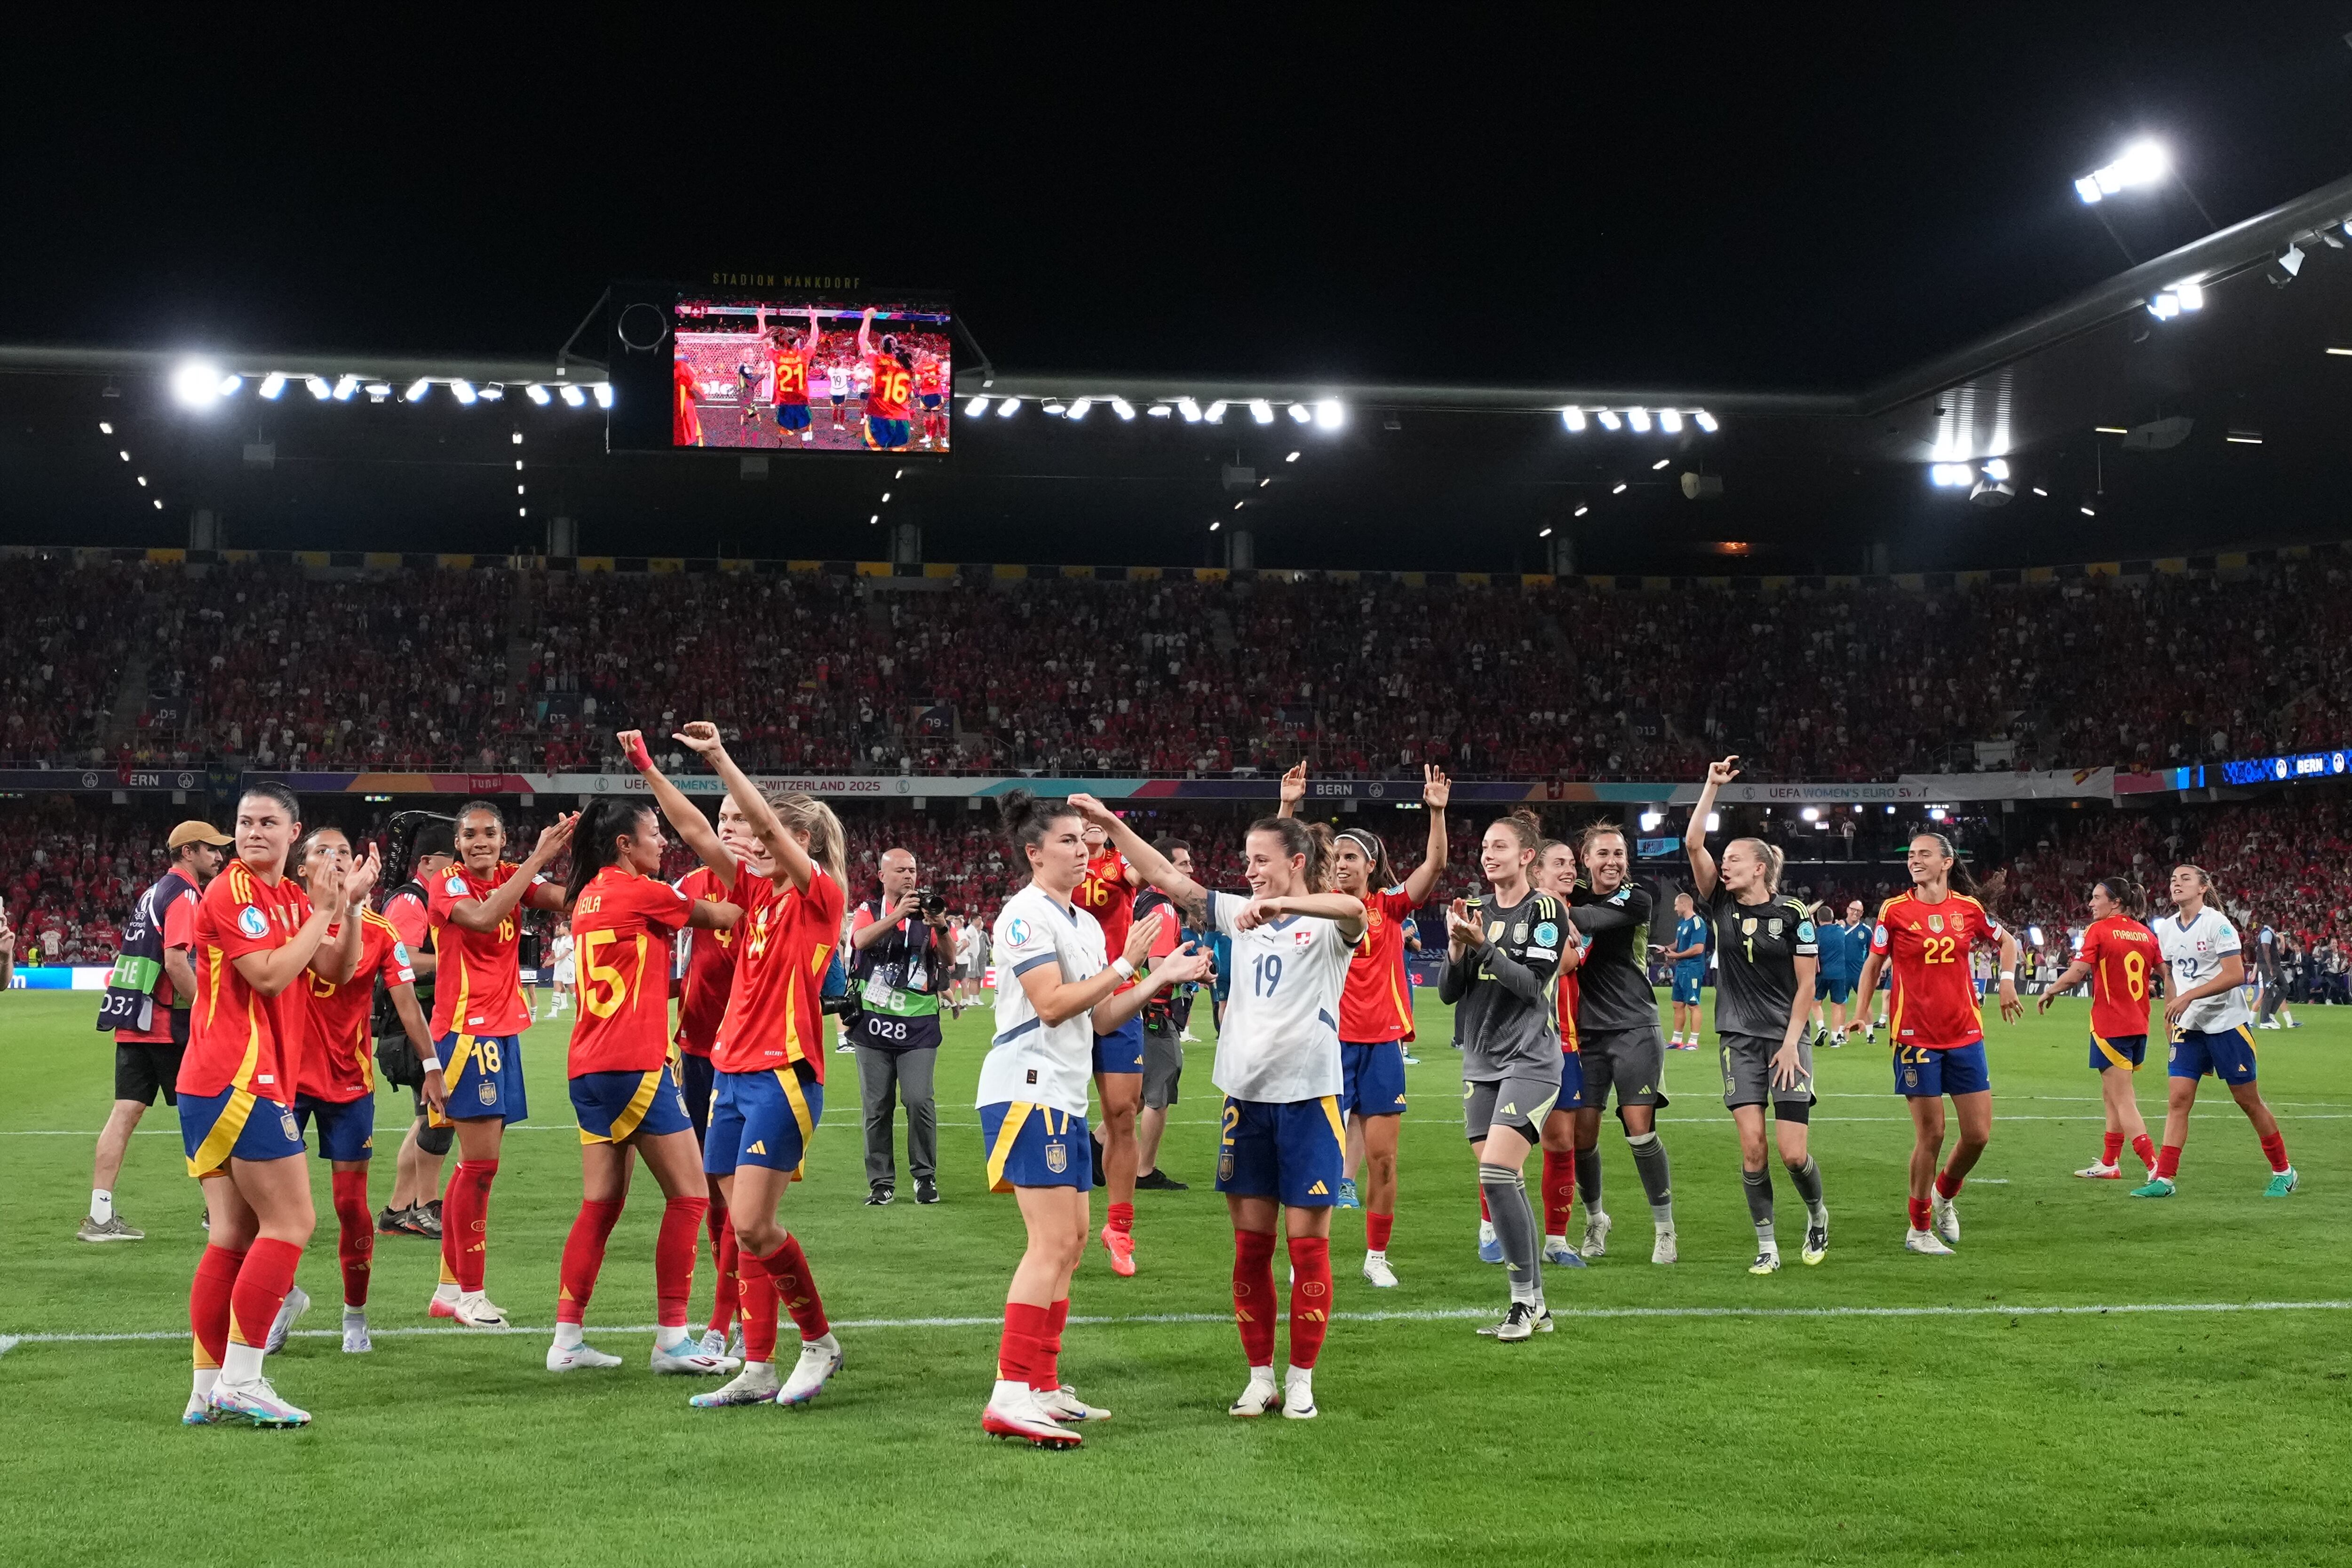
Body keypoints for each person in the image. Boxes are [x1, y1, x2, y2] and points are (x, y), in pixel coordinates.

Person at [1072, 795, 1363, 1421]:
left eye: (1263, 860)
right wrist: (1114, 824)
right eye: (1247, 860)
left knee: (1307, 1242)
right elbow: (1169, 879)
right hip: (1246, 1099)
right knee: (1251, 1247)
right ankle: (1260, 1376)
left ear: (1297, 861)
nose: (1252, 870)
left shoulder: (1325, 923)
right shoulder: (1237, 912)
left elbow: (1354, 907)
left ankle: (1303, 1379)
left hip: (1311, 1097)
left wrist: (1285, 902)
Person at [628, 724, 848, 1410]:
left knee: (754, 1223)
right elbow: (695, 830)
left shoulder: (820, 896)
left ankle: (817, 1340)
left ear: (795, 844)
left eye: (758, 838)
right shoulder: (751, 893)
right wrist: (648, 769)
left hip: (785, 1074)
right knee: (734, 1220)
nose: (744, 845)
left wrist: (721, 758)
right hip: (730, 1073)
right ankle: (756, 1364)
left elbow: (756, 826)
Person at [979, 793, 1209, 1446]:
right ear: (1034, 852)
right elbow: (1052, 1005)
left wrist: (1157, 971)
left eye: (1087, 843)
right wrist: (1124, 963)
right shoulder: (1024, 915)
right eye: (1069, 843)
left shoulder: (1080, 920)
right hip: (1026, 1090)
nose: (1084, 852)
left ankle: (1043, 1384)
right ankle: (1010, 1390)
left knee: (1075, 1242)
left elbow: (1101, 1017)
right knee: (1049, 1242)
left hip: (1060, 1095)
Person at [178, 783, 378, 1428]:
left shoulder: (288, 896)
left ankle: (206, 1389)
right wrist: (326, 908)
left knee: (234, 1235)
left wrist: (345, 908)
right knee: (293, 1221)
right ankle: (244, 1376)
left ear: (295, 835)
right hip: (240, 1077)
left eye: (268, 821)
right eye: (244, 821)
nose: (252, 831)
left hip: (223, 1081)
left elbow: (339, 969)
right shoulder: (234, 890)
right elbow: (268, 973)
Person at [547, 797, 741, 1375]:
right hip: (634, 1063)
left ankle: (567, 1338)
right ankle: (672, 1338)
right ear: (624, 844)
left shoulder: (589, 896)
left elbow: (644, 972)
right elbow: (727, 916)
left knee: (601, 1204)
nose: (664, 843)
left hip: (588, 1064)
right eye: (655, 834)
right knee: (691, 1196)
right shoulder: (644, 892)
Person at [1278, 761, 1451, 1288]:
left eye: (1351, 857)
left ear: (1371, 865)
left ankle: (1376, 1256)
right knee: (1315, 1155)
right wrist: (1286, 807)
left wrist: (1437, 813)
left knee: (1382, 1160)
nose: (1342, 865)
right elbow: (1274, 860)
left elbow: (1434, 865)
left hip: (1380, 1046)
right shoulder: (1315, 907)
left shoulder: (1390, 907)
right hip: (1325, 1044)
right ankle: (1305, 1254)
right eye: (1336, 859)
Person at [283, 825, 439, 1354]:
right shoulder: (281, 918)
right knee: (276, 1206)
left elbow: (407, 1003)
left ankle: (355, 1316)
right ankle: (282, 1296)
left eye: (344, 851)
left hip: (348, 1083)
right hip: (282, 1080)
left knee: (351, 1205)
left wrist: (433, 1064)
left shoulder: (378, 931)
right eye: (321, 851)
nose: (335, 858)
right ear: (301, 867)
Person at [424, 800, 578, 1329]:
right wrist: (538, 858)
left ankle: (449, 1290)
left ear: (503, 838)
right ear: (459, 842)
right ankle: (470, 1294)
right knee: (481, 1169)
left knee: (471, 1168)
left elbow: (571, 902)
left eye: (490, 833)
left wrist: (586, 852)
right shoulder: (447, 882)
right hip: (468, 1035)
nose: (480, 841)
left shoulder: (513, 874)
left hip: (500, 1031)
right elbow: (484, 918)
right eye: (470, 834)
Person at [1686, 759, 1829, 1274]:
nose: (1724, 865)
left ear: (1760, 867)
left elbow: (1807, 984)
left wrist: (1792, 1042)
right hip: (1738, 1038)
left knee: (1792, 1153)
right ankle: (1766, 1244)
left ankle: (1816, 1212)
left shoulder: (1793, 914)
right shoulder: (1719, 903)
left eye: (1734, 859)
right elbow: (1691, 843)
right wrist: (1711, 787)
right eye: (1723, 859)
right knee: (1752, 1146)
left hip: (1787, 1039)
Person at [1851, 832, 2023, 1256]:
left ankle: (1945, 1195)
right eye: (1911, 855)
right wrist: (1862, 1011)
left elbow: (2008, 943)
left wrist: (2005, 983)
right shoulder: (1894, 910)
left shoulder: (1968, 909)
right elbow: (1874, 964)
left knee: (1978, 1134)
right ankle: (1919, 1228)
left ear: (1946, 862)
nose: (1915, 860)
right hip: (1915, 1036)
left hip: (1965, 1032)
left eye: (1924, 854)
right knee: (1932, 1133)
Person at [1441, 810, 1568, 1339]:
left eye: (1499, 846)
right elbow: (1450, 992)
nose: (1487, 854)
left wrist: (1482, 946)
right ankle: (1536, 1303)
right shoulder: (1476, 910)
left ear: (1525, 857)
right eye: (1484, 847)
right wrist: (1455, 949)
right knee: (1504, 1183)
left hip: (1531, 1059)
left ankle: (1520, 1304)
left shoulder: (1545, 909)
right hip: (1481, 1060)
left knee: (1495, 1172)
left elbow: (1531, 983)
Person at [83, 819, 230, 1242]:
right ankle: (218, 1214)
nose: (219, 857)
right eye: (211, 850)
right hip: (169, 1025)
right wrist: (209, 1011)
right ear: (188, 852)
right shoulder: (184, 895)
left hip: (134, 1021)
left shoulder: (154, 891)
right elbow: (175, 961)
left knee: (124, 1115)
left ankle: (99, 1216)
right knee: (214, 1111)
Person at [2138, 865, 2297, 1199]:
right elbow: (2170, 976)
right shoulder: (2166, 928)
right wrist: (2170, 1015)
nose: (2176, 884)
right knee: (2178, 1100)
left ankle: (2285, 1171)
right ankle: (2164, 1179)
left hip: (2226, 1024)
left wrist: (2188, 997)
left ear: (2202, 888)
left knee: (2248, 1100)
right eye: (2172, 880)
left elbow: (2235, 974)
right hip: (2189, 1026)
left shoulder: (2217, 924)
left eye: (2185, 879)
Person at [1565, 822, 1679, 1264]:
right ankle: (1595, 1220)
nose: (1612, 862)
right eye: (1603, 854)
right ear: (1586, 859)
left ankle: (1665, 1229)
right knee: (1581, 1135)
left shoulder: (1637, 897)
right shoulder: (1569, 893)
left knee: (1639, 1129)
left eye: (1619, 854)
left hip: (1635, 1026)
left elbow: (1591, 920)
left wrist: (1547, 907)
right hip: (1585, 1031)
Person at [674, 806, 750, 1358]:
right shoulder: (690, 885)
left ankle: (730, 1318)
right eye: (721, 817)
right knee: (713, 1195)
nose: (726, 826)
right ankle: (735, 1310)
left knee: (745, 1203)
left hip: (754, 1059)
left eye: (739, 818)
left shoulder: (776, 888)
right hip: (699, 1053)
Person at [2036, 876, 2160, 1182]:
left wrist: (2050, 990)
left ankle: (2156, 1167)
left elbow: (2077, 973)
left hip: (2111, 1024)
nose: (2091, 904)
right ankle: (2109, 1162)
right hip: (2138, 1023)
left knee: (2123, 1099)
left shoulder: (2099, 930)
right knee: (2111, 1094)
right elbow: (2163, 974)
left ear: (2115, 902)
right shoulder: (2146, 934)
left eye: (2096, 898)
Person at [849, 847, 950, 1206]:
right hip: (873, 1024)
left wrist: (942, 927)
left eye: (913, 870)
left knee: (918, 1099)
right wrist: (898, 916)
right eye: (901, 870)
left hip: (919, 1023)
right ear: (882, 877)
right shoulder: (868, 910)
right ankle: (881, 1182)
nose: (909, 876)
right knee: (877, 1106)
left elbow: (949, 959)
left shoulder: (928, 912)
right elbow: (860, 941)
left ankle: (925, 1177)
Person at [1075, 812, 1147, 1275]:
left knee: (1122, 1111)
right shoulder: (1056, 872)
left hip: (1119, 995)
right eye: (1078, 822)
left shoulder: (1121, 865)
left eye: (1096, 820)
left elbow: (1147, 871)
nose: (1088, 825)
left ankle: (1118, 1229)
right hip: (1066, 999)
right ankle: (1065, 1228)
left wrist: (1114, 827)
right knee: (1057, 1113)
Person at [376, 817, 454, 1239]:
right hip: (409, 1028)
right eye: (451, 860)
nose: (458, 869)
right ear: (426, 862)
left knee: (427, 1117)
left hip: (414, 1026)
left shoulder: (426, 899)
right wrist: (457, 963)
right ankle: (425, 1207)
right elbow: (403, 958)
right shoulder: (411, 901)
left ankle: (396, 1210)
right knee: (441, 1117)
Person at [1530, 840, 1589, 1268]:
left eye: (1571, 863)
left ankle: (1556, 1240)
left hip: (1566, 1043)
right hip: (1523, 1043)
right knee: (1506, 1141)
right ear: (1537, 872)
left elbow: (1570, 961)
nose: (1569, 870)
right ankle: (1490, 1229)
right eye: (1559, 864)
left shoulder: (1577, 915)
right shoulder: (1534, 912)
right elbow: (1564, 961)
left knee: (1562, 1142)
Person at [1133, 837, 1199, 1192]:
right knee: (1159, 1090)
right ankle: (1145, 1171)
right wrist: (1196, 969)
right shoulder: (1165, 909)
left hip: (1137, 1008)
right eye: (1184, 864)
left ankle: (1095, 1148)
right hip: (1154, 1012)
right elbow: (1159, 966)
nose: (1191, 870)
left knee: (1142, 1093)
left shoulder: (1143, 900)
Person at [857, 307, 916, 451]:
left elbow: (862, 340)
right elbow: (911, 395)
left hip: (880, 416)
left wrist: (868, 317)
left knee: (877, 455)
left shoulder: (878, 360)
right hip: (902, 418)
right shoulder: (906, 365)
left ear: (881, 347)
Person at [1662, 891, 1708, 1049]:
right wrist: (1666, 949)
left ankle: (1693, 1041)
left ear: (1684, 904)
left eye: (1676, 905)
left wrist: (1678, 955)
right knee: (1677, 1004)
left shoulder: (1698, 923)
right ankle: (1677, 1040)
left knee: (1693, 1004)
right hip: (1681, 968)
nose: (1675, 909)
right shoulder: (1682, 923)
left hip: (1693, 968)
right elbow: (1677, 944)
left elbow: (1698, 949)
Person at [770, 308, 818, 445]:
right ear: (796, 341)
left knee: (784, 430)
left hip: (785, 400)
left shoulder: (777, 356)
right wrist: (814, 320)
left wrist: (761, 320)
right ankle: (805, 445)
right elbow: (814, 338)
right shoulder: (804, 355)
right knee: (806, 429)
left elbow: (766, 343)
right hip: (801, 399)